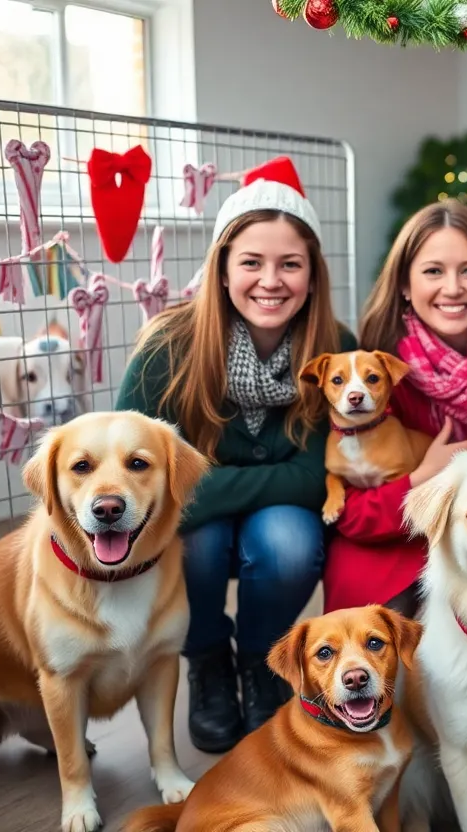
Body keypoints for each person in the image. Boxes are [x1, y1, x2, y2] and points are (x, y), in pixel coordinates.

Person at [116, 156, 355, 753]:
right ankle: (207, 662)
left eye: (290, 264)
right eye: (251, 261)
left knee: (291, 542)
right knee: (196, 539)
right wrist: (268, 482)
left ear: (312, 275)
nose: (270, 280)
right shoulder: (167, 349)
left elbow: (316, 477)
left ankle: (260, 660)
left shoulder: (338, 350)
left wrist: (209, 483)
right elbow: (138, 474)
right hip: (192, 531)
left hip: (280, 524)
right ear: (222, 269)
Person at [323, 200, 467, 616]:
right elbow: (350, 513)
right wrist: (424, 476)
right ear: (405, 284)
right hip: (404, 530)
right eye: (433, 271)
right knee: (372, 620)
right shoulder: (378, 371)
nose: (453, 288)